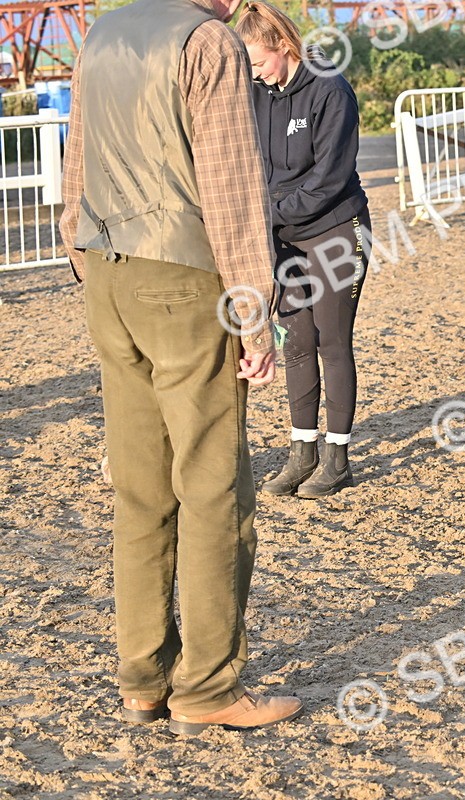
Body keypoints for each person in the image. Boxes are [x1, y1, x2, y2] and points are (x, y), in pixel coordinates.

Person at [59, 0, 301, 733]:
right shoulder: (207, 42)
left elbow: (76, 165)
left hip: (107, 271)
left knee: (139, 489)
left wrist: (85, 259)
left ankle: (142, 677)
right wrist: (254, 315)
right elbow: (230, 192)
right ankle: (208, 688)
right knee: (213, 487)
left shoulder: (101, 34)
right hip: (184, 280)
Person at [235, 2, 372, 499]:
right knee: (295, 342)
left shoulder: (330, 88)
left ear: (284, 46)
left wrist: (266, 215)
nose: (253, 73)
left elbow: (329, 178)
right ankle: (302, 452)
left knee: (332, 341)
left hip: (336, 229)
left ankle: (337, 458)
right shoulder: (255, 92)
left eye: (257, 62)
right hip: (283, 233)